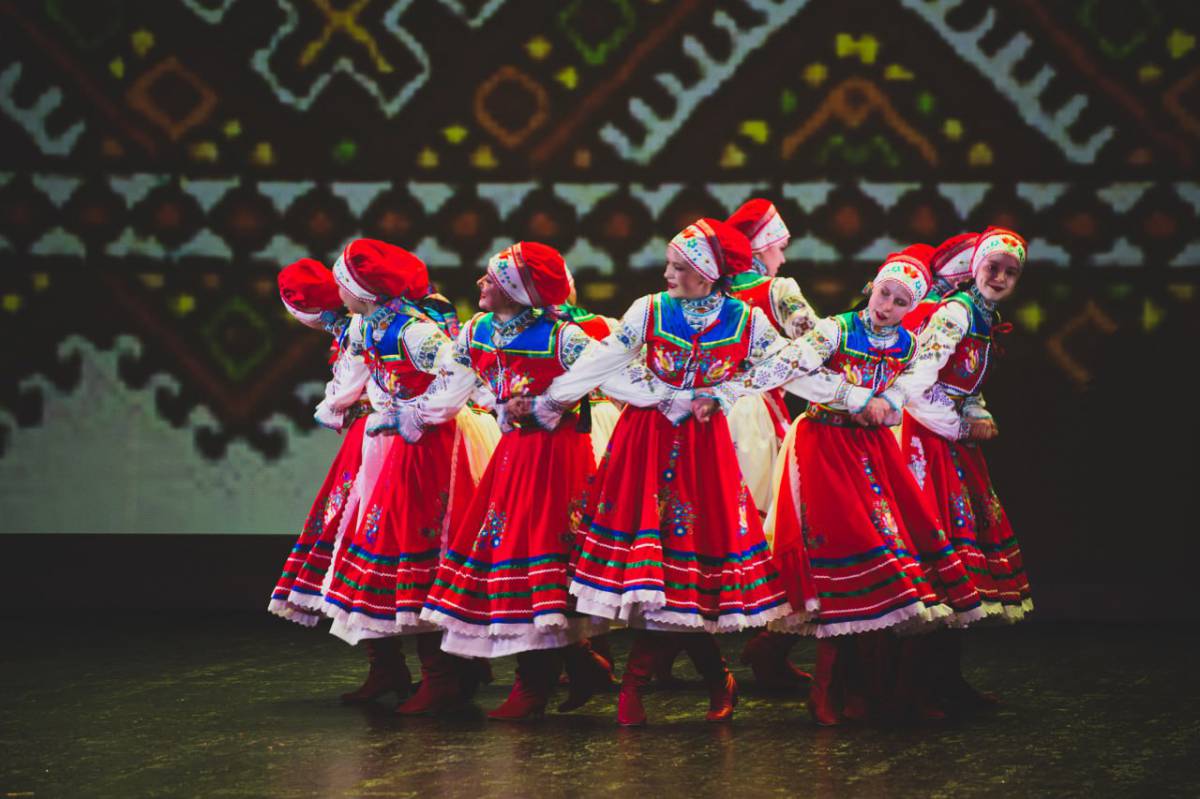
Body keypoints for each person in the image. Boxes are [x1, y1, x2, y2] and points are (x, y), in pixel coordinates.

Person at [524, 218, 864, 725]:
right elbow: (604, 359)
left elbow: (791, 367)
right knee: (650, 573)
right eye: (669, 264)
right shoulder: (650, 310)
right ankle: (670, 683)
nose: (666, 274)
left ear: (706, 275)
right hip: (648, 443)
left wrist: (854, 398)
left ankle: (664, 683)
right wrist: (552, 400)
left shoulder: (744, 320)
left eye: (678, 267)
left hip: (705, 451)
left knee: (690, 569)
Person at [727, 244, 986, 724]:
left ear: (912, 309)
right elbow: (791, 369)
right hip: (822, 446)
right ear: (873, 286)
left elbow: (912, 384)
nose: (886, 307)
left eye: (900, 302)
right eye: (883, 294)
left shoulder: (907, 345)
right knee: (834, 559)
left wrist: (895, 399)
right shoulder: (836, 329)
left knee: (879, 565)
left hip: (871, 452)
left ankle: (864, 691)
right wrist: (851, 395)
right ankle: (827, 689)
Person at [385, 242, 613, 721]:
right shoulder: (477, 330)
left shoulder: (562, 336)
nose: (480, 284)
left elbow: (612, 372)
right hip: (514, 453)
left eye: (491, 278)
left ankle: (536, 683)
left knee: (541, 556)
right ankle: (576, 666)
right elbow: (458, 382)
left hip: (557, 455)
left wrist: (553, 401)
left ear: (515, 289)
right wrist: (476, 404)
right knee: (509, 554)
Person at [321, 238, 478, 715]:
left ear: (361, 290)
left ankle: (443, 675)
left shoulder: (412, 330)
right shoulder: (367, 325)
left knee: (421, 549)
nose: (337, 291)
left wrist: (423, 412)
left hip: (426, 445)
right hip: (391, 446)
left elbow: (462, 367)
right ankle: (409, 670)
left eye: (341, 282)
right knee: (385, 550)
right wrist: (336, 407)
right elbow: (358, 378)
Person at [890, 227, 1033, 712]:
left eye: (1010, 272)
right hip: (927, 444)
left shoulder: (984, 317)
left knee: (960, 575)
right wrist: (959, 428)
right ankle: (912, 687)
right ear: (976, 267)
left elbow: (966, 383)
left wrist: (978, 413)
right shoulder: (955, 314)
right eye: (993, 267)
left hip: (952, 445)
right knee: (935, 564)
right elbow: (915, 385)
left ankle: (945, 681)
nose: (1000, 277)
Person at [723, 198, 821, 690]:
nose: (783, 256)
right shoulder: (777, 290)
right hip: (754, 419)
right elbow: (816, 348)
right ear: (763, 248)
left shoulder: (706, 293)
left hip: (705, 416)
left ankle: (664, 654)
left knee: (709, 534)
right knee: (777, 531)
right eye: (779, 246)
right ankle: (769, 642)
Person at [268, 258, 372, 631]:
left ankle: (446, 670)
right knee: (355, 539)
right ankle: (392, 665)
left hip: (380, 439)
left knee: (365, 539)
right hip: (372, 435)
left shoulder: (361, 330)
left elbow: (341, 398)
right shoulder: (354, 329)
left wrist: (329, 408)